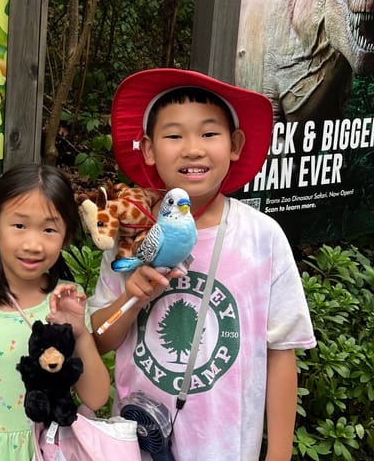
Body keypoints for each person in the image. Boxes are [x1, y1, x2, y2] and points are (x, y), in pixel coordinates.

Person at [90, 68, 316, 461]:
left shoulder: (262, 237)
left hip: (227, 448)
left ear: (235, 144)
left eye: (209, 133)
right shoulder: (133, 231)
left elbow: (282, 352)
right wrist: (131, 298)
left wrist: (278, 454)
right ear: (147, 149)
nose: (192, 149)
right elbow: (99, 337)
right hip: (137, 442)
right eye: (174, 135)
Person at [0, 163, 111, 461]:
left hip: (55, 449)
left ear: (65, 236)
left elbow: (97, 396)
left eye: (49, 229)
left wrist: (80, 333)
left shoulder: (67, 300)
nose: (33, 244)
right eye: (19, 225)